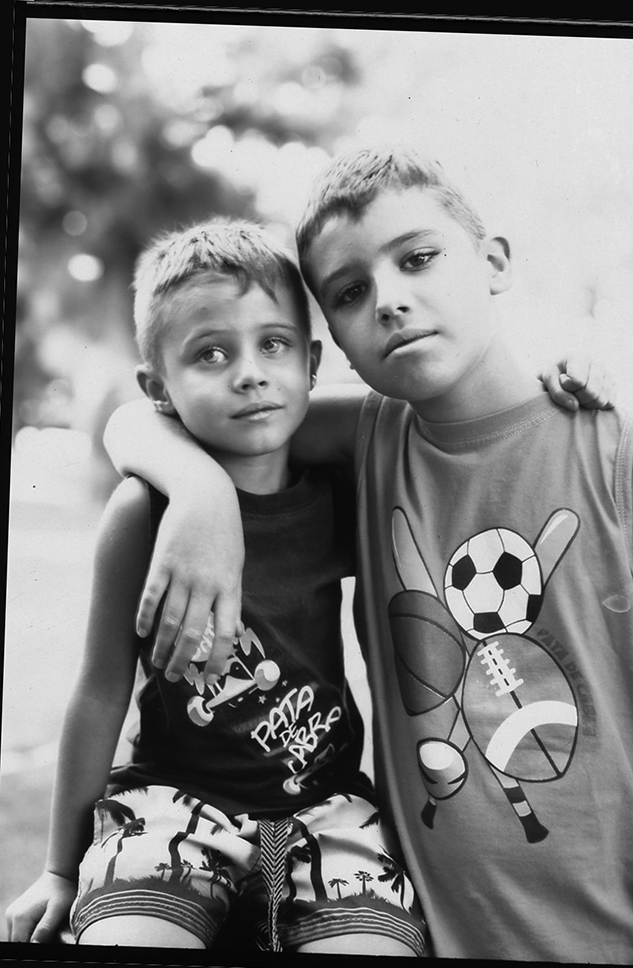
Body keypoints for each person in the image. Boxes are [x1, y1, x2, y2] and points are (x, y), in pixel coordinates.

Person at [99, 145, 633, 964]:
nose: (389, 301)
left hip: (619, 940)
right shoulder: (370, 442)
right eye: (349, 292)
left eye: (418, 258)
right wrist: (200, 494)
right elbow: (146, 417)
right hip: (428, 936)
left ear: (494, 262)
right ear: (334, 342)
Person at [5, 217, 428, 956]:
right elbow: (100, 690)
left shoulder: (343, 495)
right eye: (210, 353)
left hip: (328, 810)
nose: (249, 373)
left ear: (312, 362)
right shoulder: (141, 512)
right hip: (171, 807)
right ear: (158, 389)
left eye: (274, 344)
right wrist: (59, 869)